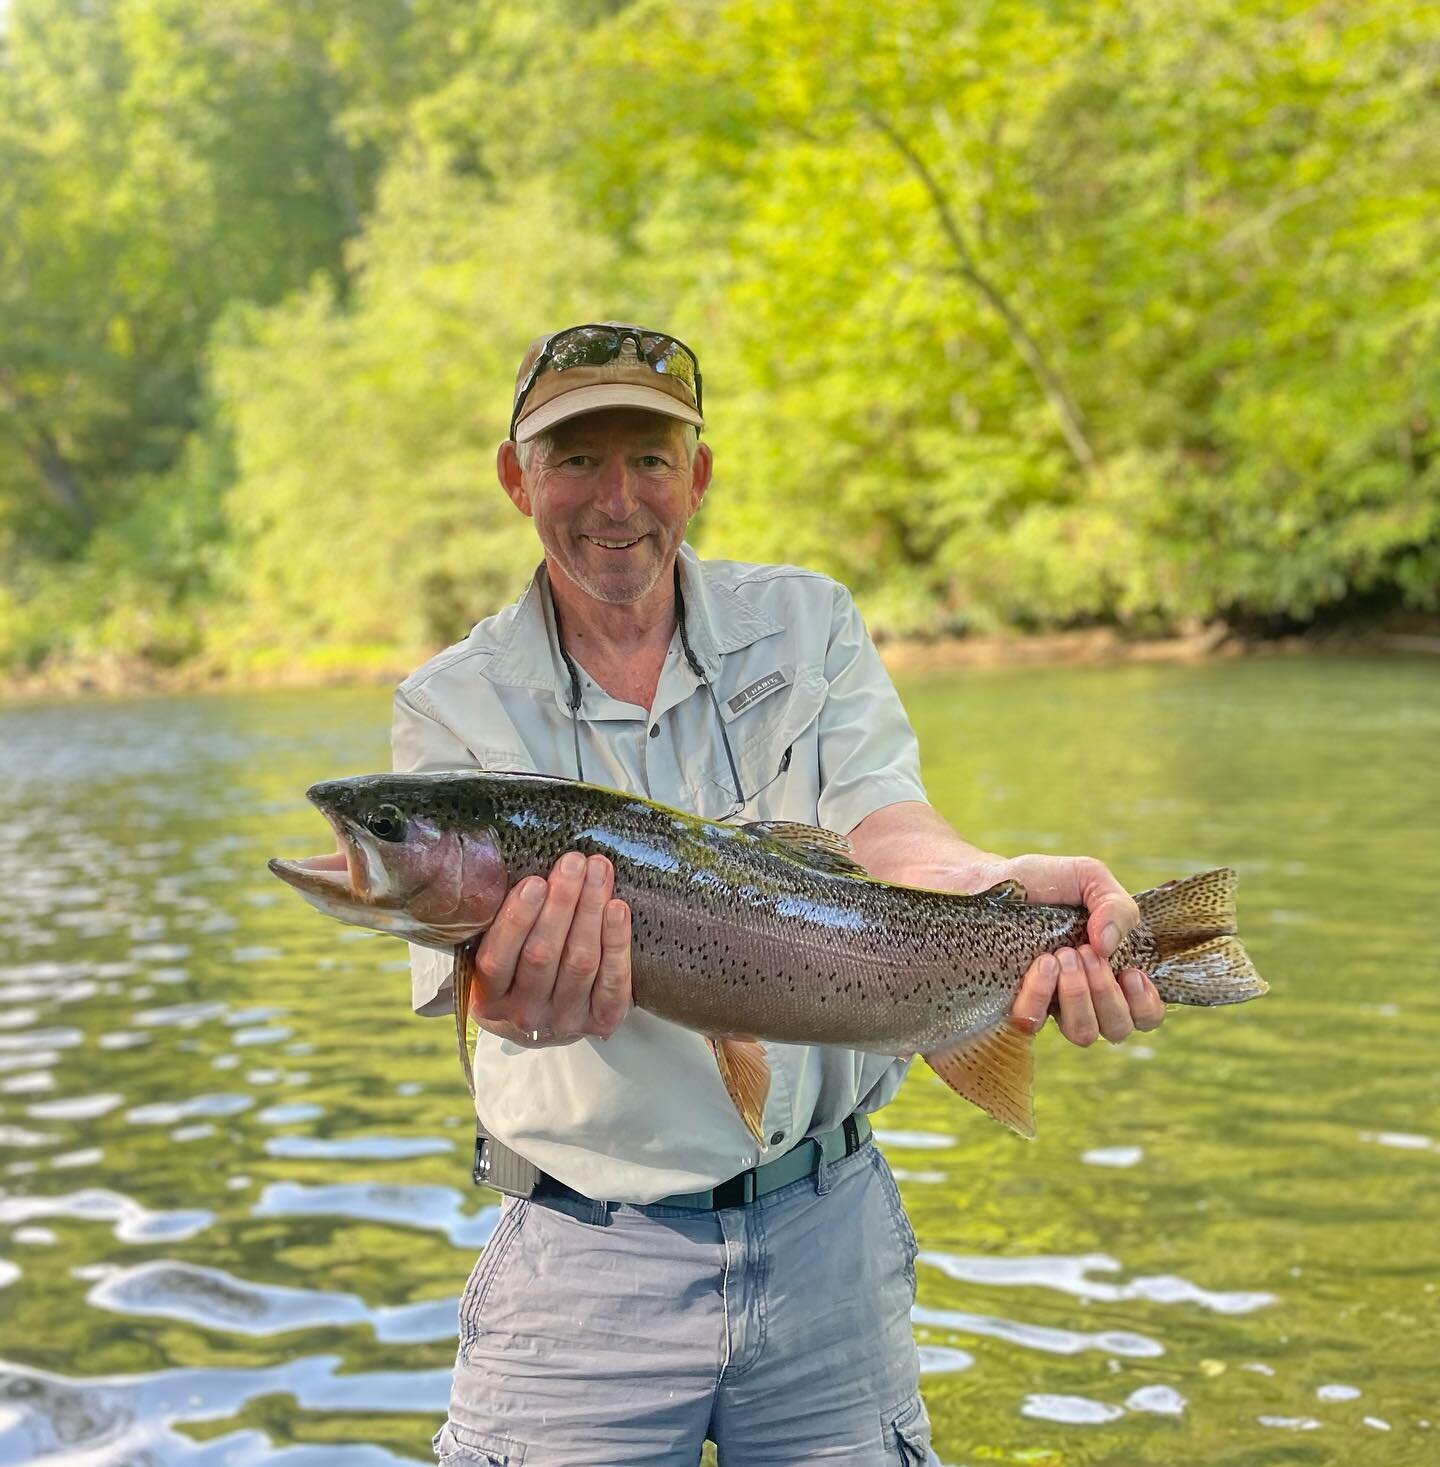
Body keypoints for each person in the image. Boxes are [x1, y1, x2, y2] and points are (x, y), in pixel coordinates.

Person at [392, 323, 1166, 1466]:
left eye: (650, 459)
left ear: (697, 476)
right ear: (518, 479)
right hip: (581, 1266)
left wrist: (989, 888)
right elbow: (495, 1003)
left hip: (830, 1249)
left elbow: (889, 826)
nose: (617, 499)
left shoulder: (808, 627)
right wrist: (517, 995)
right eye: (575, 459)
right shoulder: (453, 705)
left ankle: (1183, 953)